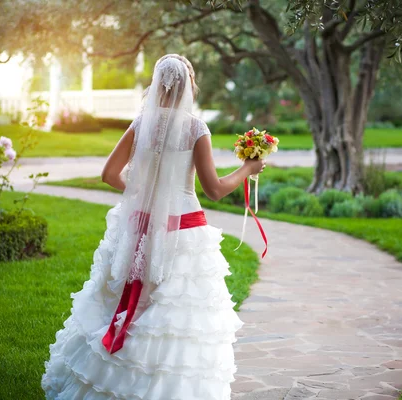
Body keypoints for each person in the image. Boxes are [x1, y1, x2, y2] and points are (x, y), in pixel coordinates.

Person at [41, 54, 266, 399]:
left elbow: (108, 175)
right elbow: (215, 190)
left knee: (129, 304)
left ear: (158, 84)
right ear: (188, 85)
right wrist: (248, 170)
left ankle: (110, 381)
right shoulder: (195, 128)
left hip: (139, 230)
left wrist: (146, 194)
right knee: (175, 319)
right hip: (183, 234)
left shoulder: (141, 123)